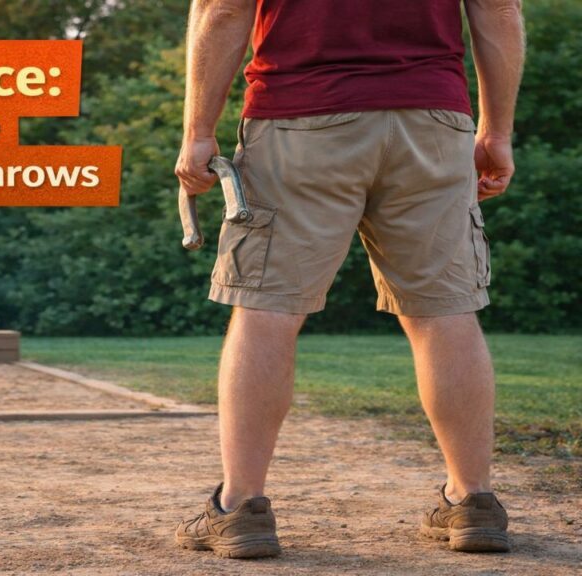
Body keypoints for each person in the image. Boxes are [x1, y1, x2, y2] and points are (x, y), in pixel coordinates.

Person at [173, 0, 525, 559]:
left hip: (299, 117)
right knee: (443, 310)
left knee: (267, 306)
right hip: (431, 120)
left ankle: (240, 509)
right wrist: (497, 131)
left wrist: (198, 131)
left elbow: (223, 10)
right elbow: (500, 9)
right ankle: (473, 501)